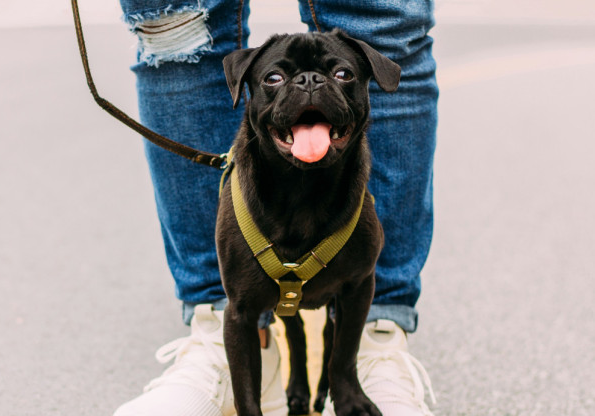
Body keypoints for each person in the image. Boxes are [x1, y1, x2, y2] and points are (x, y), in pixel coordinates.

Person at [112, 0, 438, 415]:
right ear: (244, 87)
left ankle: (373, 345)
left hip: (346, 222)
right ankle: (221, 338)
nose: (308, 86)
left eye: (340, 75)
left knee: (382, 18)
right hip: (255, 216)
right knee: (175, 22)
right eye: (275, 77)